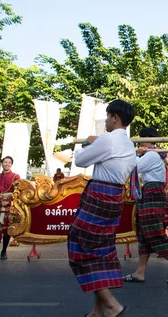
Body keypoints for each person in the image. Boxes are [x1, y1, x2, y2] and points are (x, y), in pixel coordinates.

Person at [67, 100, 135, 317]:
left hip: (99, 195)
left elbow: (80, 161)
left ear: (115, 117)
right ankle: (97, 311)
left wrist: (88, 143)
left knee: (80, 246)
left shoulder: (108, 139)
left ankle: (113, 305)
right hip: (114, 197)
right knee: (100, 251)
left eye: (107, 117)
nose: (106, 121)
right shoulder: (129, 144)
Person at [125, 127, 168, 284]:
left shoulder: (152, 154)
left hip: (152, 192)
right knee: (144, 232)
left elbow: (134, 166)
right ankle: (140, 271)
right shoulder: (154, 154)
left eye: (141, 138)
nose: (140, 141)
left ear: (148, 139)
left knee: (152, 231)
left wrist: (136, 152)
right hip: (148, 191)